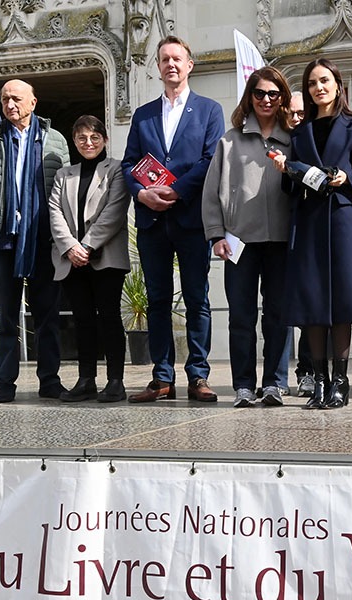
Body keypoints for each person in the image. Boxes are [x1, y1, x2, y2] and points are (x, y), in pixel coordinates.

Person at [121, 35, 225, 403]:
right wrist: (142, 193)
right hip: (151, 221)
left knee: (198, 299)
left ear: (189, 64)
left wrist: (177, 190)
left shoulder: (210, 110)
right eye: (164, 59)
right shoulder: (143, 114)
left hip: (191, 219)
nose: (171, 65)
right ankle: (161, 378)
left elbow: (211, 160)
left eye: (177, 59)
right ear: (159, 67)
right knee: (157, 299)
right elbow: (129, 163)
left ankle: (198, 375)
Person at [271, 58, 352, 409]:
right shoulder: (299, 133)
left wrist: (348, 179)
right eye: (313, 82)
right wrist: (286, 170)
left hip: (344, 219)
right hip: (310, 220)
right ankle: (319, 381)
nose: (319, 87)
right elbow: (291, 186)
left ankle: (340, 382)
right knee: (314, 302)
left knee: (342, 302)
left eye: (325, 81)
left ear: (338, 84)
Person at [0, 79, 69, 403]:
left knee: (47, 316)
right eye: (4, 99)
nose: (10, 104)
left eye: (16, 99)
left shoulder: (55, 140)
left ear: (33, 102)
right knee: (6, 316)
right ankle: (5, 385)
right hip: (2, 241)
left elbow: (65, 191)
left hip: (42, 240)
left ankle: (50, 381)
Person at [202, 67, 292, 408]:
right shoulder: (230, 140)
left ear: (282, 97)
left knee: (277, 316)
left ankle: (273, 383)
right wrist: (215, 235)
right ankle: (243, 384)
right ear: (249, 98)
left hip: (282, 241)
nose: (266, 99)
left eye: (273, 93)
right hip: (239, 242)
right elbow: (211, 194)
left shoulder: (293, 139)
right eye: (259, 94)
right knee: (241, 316)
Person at [47, 115, 130, 403]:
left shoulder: (117, 170)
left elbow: (114, 212)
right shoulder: (63, 174)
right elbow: (54, 213)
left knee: (109, 318)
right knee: (82, 320)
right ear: (74, 141)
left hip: (105, 257)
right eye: (82, 137)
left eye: (94, 137)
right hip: (71, 260)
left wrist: (87, 246)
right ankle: (86, 380)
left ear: (105, 139)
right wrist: (71, 247)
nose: (88, 142)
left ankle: (116, 381)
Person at [279, 90, 314, 397]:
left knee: (310, 307)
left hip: (310, 232)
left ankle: (308, 372)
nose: (296, 119)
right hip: (279, 235)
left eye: (301, 114)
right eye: (291, 113)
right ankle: (278, 378)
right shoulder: (277, 142)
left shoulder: (313, 141)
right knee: (282, 309)